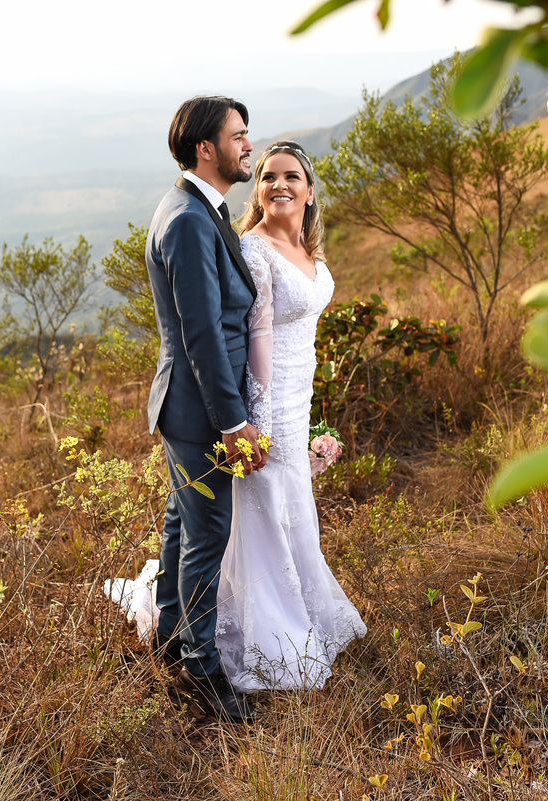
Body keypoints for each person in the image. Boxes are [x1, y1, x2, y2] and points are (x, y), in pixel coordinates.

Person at [214, 141, 366, 693]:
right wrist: (255, 424)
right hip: (269, 404)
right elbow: (257, 339)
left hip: (300, 399)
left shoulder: (307, 249)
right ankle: (273, 637)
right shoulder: (254, 249)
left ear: (309, 190)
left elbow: (305, 336)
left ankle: (303, 610)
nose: (279, 185)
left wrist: (311, 425)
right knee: (265, 509)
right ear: (257, 191)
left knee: (295, 508)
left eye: (291, 176)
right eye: (268, 177)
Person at [141, 96, 267, 723]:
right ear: (205, 149)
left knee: (182, 524)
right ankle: (201, 666)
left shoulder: (197, 208)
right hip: (200, 413)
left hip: (187, 407)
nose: (249, 146)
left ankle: (169, 634)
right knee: (207, 535)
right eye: (238, 136)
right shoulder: (189, 220)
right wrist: (234, 422)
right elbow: (203, 336)